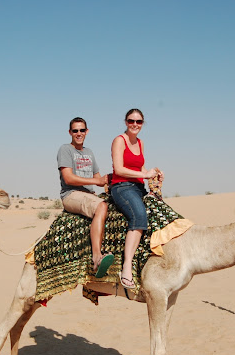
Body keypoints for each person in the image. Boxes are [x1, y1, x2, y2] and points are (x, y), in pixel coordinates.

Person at [110, 109, 163, 289]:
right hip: (122, 186)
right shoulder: (119, 140)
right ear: (125, 122)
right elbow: (118, 169)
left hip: (138, 187)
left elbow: (141, 168)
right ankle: (126, 267)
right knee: (139, 215)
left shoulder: (140, 143)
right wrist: (144, 174)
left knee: (161, 213)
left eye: (139, 121)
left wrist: (153, 175)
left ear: (142, 123)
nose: (135, 124)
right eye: (131, 121)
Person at [58, 117, 114, 278]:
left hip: (90, 195)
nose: (79, 133)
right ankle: (96, 259)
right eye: (75, 131)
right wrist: (97, 180)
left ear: (87, 131)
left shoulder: (89, 153)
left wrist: (109, 179)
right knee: (101, 206)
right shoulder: (65, 150)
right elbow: (68, 178)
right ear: (70, 132)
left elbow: (98, 178)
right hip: (71, 194)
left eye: (82, 130)